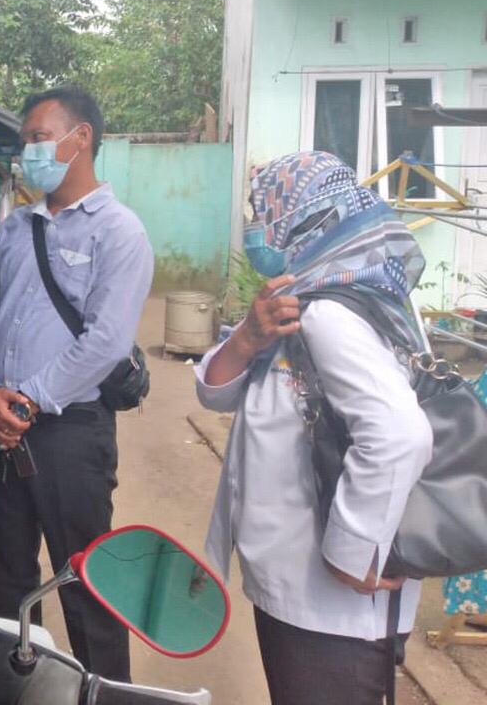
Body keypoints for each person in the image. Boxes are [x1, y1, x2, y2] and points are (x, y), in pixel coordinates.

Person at [197, 152, 432, 705]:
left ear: (302, 219)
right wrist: (247, 339)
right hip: (304, 596)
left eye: (261, 211)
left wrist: (350, 553)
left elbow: (400, 433)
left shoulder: (331, 314)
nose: (254, 226)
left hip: (329, 609)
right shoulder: (303, 303)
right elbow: (218, 393)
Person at [0, 85, 151, 682]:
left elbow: (106, 342)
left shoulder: (119, 233)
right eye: (25, 142)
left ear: (81, 138)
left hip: (70, 432)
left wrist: (28, 401)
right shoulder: (15, 229)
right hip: (2, 425)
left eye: (39, 138)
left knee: (86, 581)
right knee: (4, 578)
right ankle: (17, 687)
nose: (28, 153)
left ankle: (105, 693)